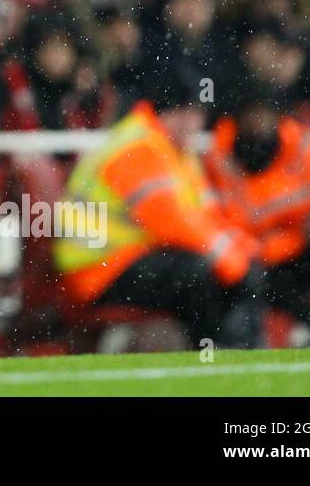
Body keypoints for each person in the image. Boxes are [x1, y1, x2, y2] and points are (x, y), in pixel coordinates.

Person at [52, 98, 265, 348]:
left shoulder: (174, 148)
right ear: (170, 112)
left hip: (127, 259)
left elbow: (204, 215)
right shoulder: (137, 146)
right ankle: (213, 352)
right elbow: (170, 222)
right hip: (96, 270)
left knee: (236, 268)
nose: (195, 123)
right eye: (189, 113)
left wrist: (241, 248)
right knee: (199, 272)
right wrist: (228, 259)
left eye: (198, 115)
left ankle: (236, 349)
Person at [204, 28, 310, 346]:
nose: (258, 125)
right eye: (251, 117)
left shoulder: (305, 145)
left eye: (265, 116)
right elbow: (235, 219)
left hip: (297, 247)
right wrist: (281, 236)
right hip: (257, 255)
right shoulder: (221, 157)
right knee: (261, 280)